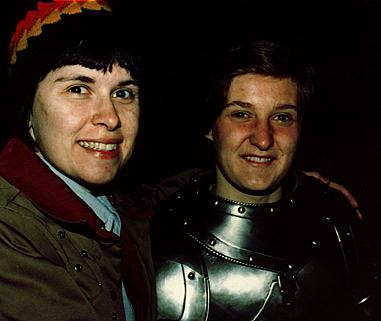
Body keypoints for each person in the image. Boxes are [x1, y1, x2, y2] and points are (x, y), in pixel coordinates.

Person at [147, 40, 376, 320]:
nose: (264, 138)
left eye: (282, 117)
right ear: (210, 127)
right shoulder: (158, 238)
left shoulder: (336, 219)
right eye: (241, 114)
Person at [0, 1, 155, 320]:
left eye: (123, 93)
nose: (110, 118)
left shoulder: (114, 204)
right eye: (79, 88)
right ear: (27, 110)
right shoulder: (10, 230)